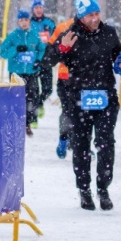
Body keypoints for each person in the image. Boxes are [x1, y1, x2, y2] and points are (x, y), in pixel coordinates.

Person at [53, 0, 121, 211]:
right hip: (79, 98)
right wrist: (61, 49)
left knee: (105, 144)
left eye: (96, 13)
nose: (94, 18)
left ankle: (103, 188)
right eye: (89, 15)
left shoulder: (109, 32)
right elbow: (46, 60)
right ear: (81, 16)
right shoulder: (70, 35)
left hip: (105, 98)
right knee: (82, 146)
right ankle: (84, 190)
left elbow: (118, 56)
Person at [0, 8, 46, 136]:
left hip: (30, 72)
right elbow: (2, 52)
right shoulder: (13, 36)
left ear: (29, 21)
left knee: (31, 97)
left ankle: (27, 123)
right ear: (18, 22)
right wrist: (16, 49)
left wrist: (38, 60)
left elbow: (41, 49)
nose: (24, 23)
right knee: (16, 97)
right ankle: (14, 122)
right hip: (16, 72)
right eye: (21, 20)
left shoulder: (34, 34)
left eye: (26, 20)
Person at [44, 15, 76, 158]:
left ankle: (80, 144)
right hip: (66, 78)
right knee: (68, 112)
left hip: (89, 80)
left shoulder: (97, 28)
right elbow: (50, 53)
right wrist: (60, 49)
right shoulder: (63, 27)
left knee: (87, 114)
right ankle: (63, 139)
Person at [29, 0, 57, 116]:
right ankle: (34, 113)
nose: (38, 9)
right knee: (33, 89)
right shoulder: (29, 23)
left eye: (40, 7)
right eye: (36, 7)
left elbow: (56, 39)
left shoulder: (50, 23)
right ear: (33, 9)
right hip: (33, 60)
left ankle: (39, 103)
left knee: (48, 89)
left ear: (43, 8)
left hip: (46, 59)